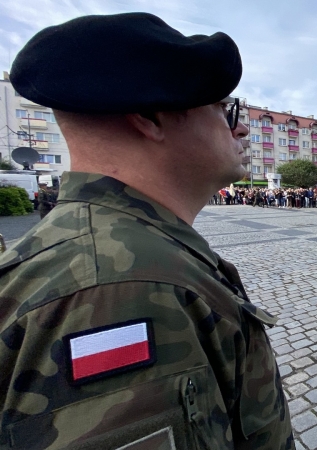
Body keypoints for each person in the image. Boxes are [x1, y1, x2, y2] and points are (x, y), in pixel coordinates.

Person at [0, 12, 294, 450]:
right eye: (221, 107)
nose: (241, 127)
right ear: (150, 116)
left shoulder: (119, 250)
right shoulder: (116, 289)